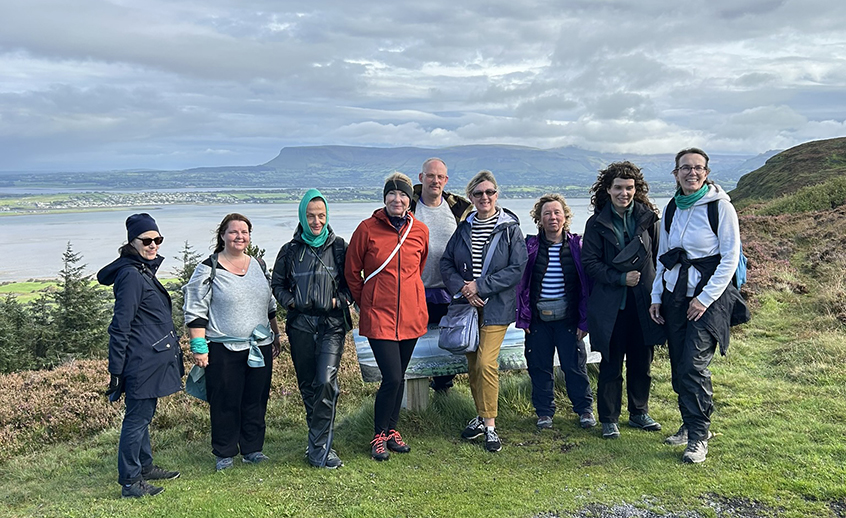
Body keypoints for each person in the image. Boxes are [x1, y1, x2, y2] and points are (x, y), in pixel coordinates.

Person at [649, 148, 742, 464]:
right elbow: (664, 256)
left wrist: (704, 299)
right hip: (675, 296)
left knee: (693, 365)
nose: (692, 172)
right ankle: (690, 424)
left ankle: (699, 436)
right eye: (685, 168)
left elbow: (729, 258)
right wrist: (656, 296)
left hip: (709, 298)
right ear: (675, 173)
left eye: (698, 168)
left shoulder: (721, 208)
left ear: (707, 172)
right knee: (679, 366)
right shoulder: (672, 208)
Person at [183, 213, 282, 471]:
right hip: (223, 347)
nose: (240, 236)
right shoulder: (208, 267)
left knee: (256, 399)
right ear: (222, 235)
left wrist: (276, 334)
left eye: (244, 232)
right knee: (225, 401)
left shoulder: (259, 265)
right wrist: (199, 347)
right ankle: (224, 453)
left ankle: (252, 449)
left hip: (260, 346)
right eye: (233, 232)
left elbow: (269, 304)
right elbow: (195, 310)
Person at [440, 170, 528, 452]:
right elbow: (446, 263)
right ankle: (480, 416)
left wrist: (481, 287)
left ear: (497, 195)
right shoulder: (464, 228)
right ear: (471, 197)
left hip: (496, 308)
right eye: (478, 193)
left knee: (487, 363)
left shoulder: (510, 228)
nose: (484, 197)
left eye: (489, 192)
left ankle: (490, 425)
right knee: (473, 365)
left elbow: (517, 268)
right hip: (467, 308)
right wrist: (464, 288)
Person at [345, 173, 429, 461]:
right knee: (392, 377)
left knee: (400, 375)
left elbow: (418, 268)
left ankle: (392, 431)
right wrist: (365, 301)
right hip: (379, 315)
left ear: (410, 199)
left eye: (403, 195)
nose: (397, 199)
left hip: (411, 315)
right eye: (392, 195)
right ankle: (379, 434)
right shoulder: (366, 229)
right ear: (384, 198)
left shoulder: (419, 230)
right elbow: (352, 272)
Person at [98, 213, 183, 498]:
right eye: (147, 240)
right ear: (132, 242)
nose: (153, 245)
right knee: (136, 420)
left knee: (143, 417)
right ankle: (131, 481)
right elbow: (120, 326)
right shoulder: (132, 276)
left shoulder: (142, 270)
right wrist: (116, 369)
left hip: (149, 359)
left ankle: (144, 467)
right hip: (140, 362)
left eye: (157, 239)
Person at [582, 162, 665, 440]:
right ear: (608, 189)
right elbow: (589, 263)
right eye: (618, 187)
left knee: (642, 361)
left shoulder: (648, 218)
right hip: (611, 305)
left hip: (644, 302)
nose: (624, 193)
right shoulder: (596, 223)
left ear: (636, 189)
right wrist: (619, 278)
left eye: (629, 188)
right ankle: (608, 418)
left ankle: (639, 413)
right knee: (611, 363)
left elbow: (657, 257)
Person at [271, 189, 352, 469]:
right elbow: (277, 285)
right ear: (302, 217)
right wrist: (292, 302)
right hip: (300, 326)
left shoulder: (340, 247)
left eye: (321, 215)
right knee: (308, 387)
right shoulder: (290, 251)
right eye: (310, 216)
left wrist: (334, 301)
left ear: (327, 216)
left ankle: (319, 450)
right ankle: (317, 442)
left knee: (326, 382)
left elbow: (351, 287)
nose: (316, 221)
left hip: (331, 325)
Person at [516, 194, 596, 432]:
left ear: (565, 216)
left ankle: (584, 410)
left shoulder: (578, 246)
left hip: (569, 320)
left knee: (575, 366)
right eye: (547, 213)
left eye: (557, 212)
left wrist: (585, 321)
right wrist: (524, 318)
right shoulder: (529, 247)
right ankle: (544, 413)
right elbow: (521, 285)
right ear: (539, 219)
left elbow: (586, 286)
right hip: (538, 320)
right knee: (539, 367)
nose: (553, 217)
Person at [409, 157, 472, 394]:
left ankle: (444, 390)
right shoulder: (409, 207)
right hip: (416, 290)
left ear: (446, 180)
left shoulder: (459, 210)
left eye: (440, 177)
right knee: (415, 345)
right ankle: (417, 397)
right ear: (421, 178)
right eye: (430, 175)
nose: (435, 180)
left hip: (450, 290)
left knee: (450, 341)